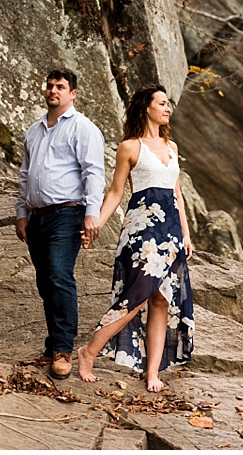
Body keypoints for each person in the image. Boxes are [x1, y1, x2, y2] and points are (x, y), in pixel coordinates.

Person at [76, 85, 195, 392]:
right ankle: (88, 352)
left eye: (168, 104)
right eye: (163, 103)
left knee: (161, 301)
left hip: (170, 235)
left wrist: (185, 233)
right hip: (142, 232)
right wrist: (97, 224)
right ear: (147, 108)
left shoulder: (173, 147)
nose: (168, 109)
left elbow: (177, 193)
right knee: (136, 297)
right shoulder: (130, 147)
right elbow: (116, 191)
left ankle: (151, 372)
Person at [15, 68, 107, 381]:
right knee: (45, 281)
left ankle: (64, 350)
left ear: (73, 94)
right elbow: (25, 174)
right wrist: (21, 213)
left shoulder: (83, 128)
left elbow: (93, 172)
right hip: (38, 217)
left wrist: (92, 213)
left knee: (58, 274)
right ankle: (53, 343)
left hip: (68, 214)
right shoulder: (34, 130)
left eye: (61, 87)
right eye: (51, 85)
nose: (54, 90)